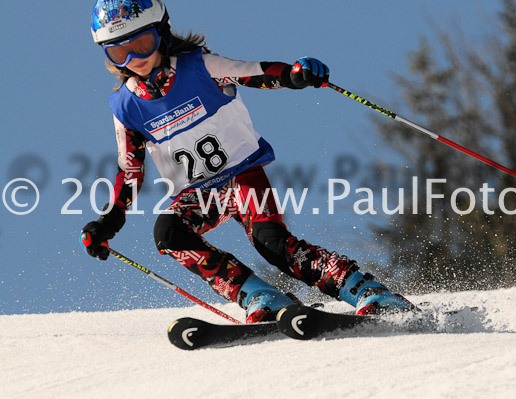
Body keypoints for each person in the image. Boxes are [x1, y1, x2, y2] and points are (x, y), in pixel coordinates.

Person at [82, 0, 415, 323]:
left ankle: (366, 291)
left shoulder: (198, 67)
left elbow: (254, 73)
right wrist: (108, 221)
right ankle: (262, 298)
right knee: (168, 233)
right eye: (118, 51)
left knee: (271, 243)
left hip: (242, 176)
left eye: (142, 43)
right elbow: (130, 170)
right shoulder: (126, 106)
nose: (133, 58)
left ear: (162, 33)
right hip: (201, 193)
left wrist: (293, 76)